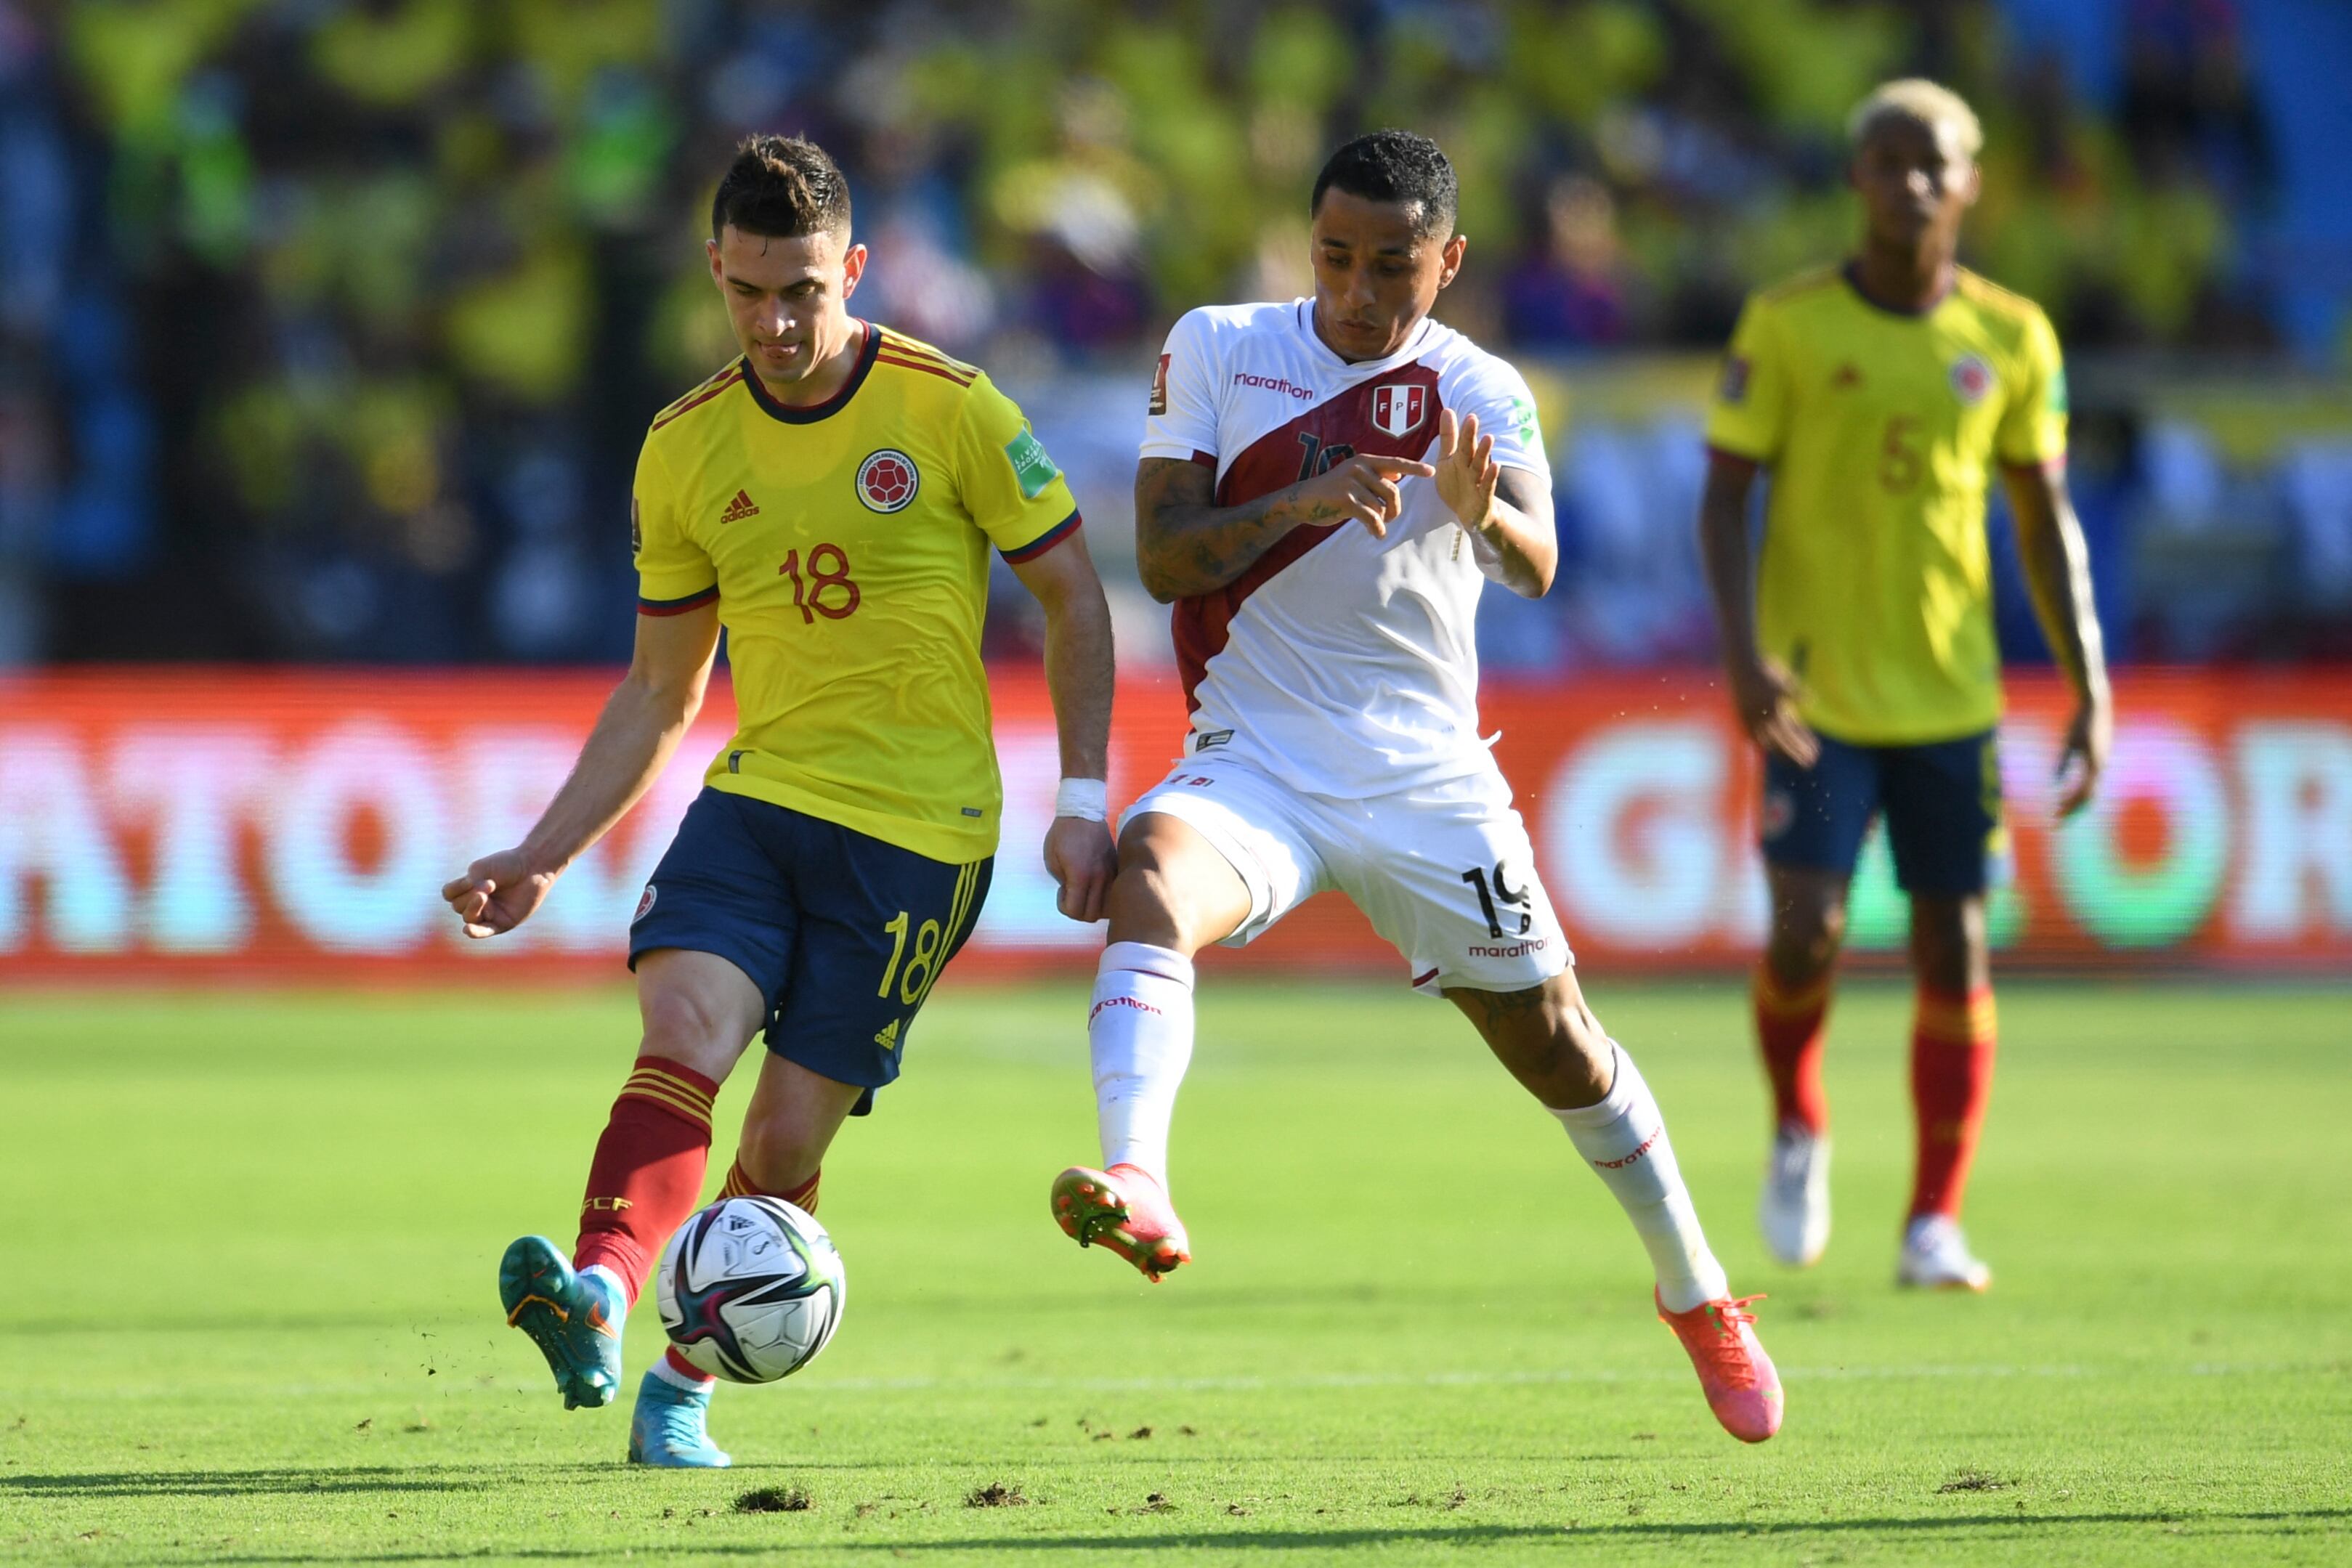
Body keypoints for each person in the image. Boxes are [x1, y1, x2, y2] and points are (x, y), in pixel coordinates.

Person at [1047, 130, 1783, 1445]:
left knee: (1554, 1042)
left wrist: (1483, 510)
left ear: (1448, 263)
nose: (1355, 291)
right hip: (1256, 759)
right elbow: (1161, 558)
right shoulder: (1217, 345)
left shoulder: (1481, 391)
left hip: (1425, 775)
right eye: (1334, 256)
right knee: (1151, 876)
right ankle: (1139, 1180)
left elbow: (1538, 566)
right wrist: (1306, 499)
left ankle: (1699, 1295)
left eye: (1392, 265)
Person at [441, 135, 1118, 1467]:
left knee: (785, 1132)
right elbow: (660, 690)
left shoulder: (952, 407)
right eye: (749, 292)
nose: (777, 321)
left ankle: (679, 1385)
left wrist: (1084, 794)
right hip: (761, 799)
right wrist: (541, 852)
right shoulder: (683, 449)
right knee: (684, 1022)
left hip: (922, 837)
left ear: (853, 268)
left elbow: (1074, 596)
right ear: (715, 272)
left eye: (802, 288)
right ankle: (597, 1296)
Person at [1696, 81, 2112, 1291]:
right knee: (1806, 930)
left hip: (1949, 696)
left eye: (1931, 163)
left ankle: (1932, 1221)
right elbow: (1723, 498)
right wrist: (1740, 654)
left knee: (1955, 948)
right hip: (1811, 697)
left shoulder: (2011, 337)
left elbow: (2046, 521)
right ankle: (1795, 1120)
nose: (1908, 182)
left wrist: (2088, 681)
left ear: (1969, 182)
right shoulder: (1786, 325)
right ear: (1854, 180)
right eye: (1885, 160)